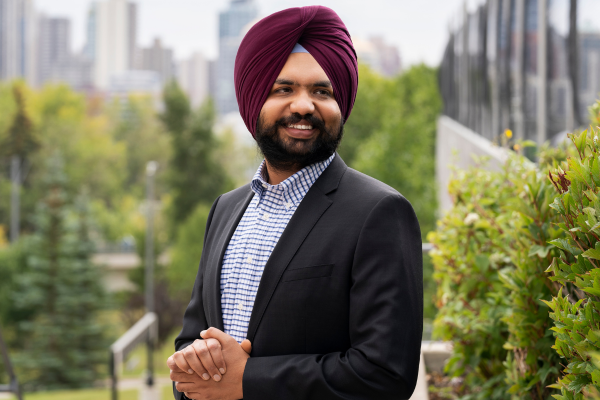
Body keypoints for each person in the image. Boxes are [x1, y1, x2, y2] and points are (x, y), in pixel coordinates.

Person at [167, 5, 423, 400]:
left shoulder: (379, 213)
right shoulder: (225, 209)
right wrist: (191, 366)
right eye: (283, 89)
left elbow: (384, 374)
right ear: (254, 102)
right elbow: (188, 343)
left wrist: (248, 379)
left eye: (322, 91)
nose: (304, 105)